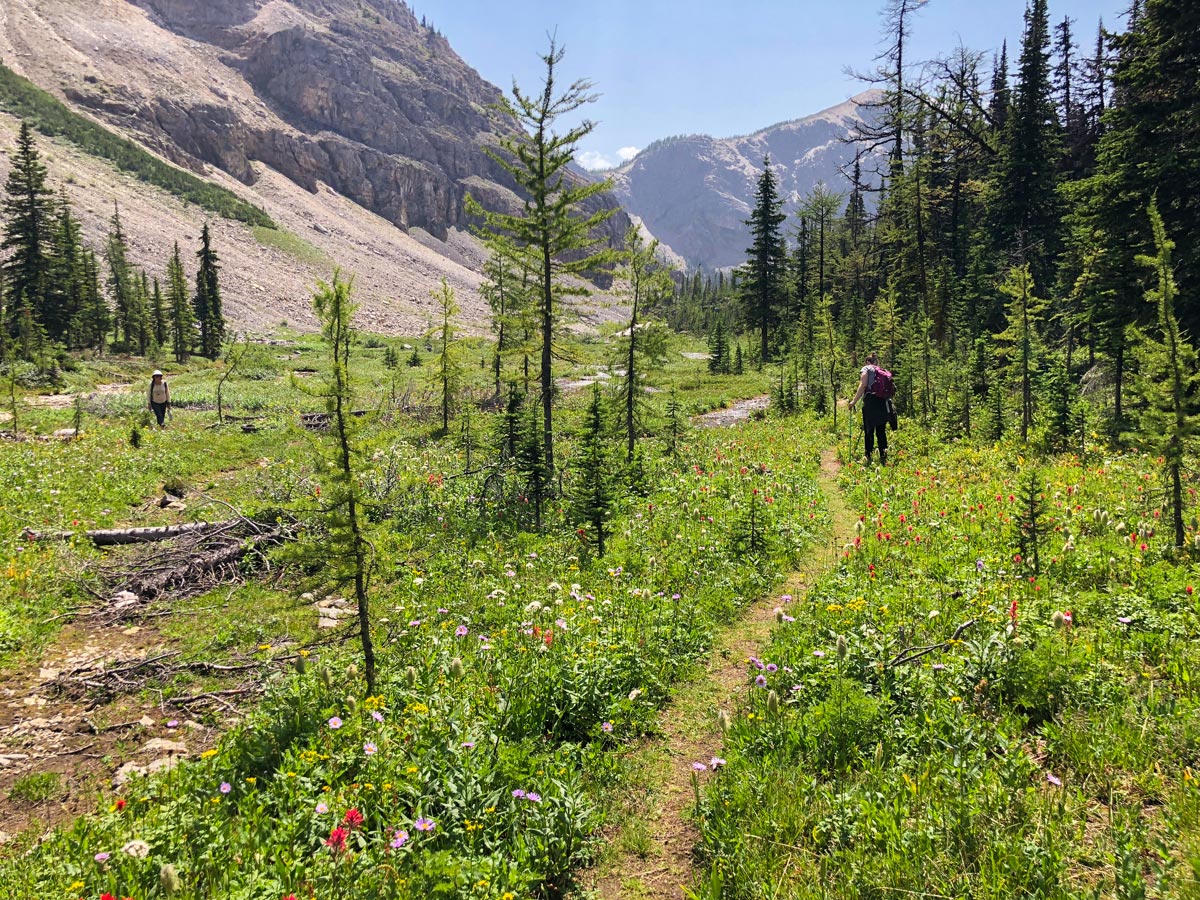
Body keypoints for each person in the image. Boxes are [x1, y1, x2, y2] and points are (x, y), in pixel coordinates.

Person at [848, 352, 890, 466]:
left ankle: (868, 456)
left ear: (867, 362)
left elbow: (863, 385)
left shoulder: (866, 368)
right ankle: (883, 456)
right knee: (881, 431)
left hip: (871, 402)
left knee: (869, 429)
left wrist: (853, 401)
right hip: (882, 402)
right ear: (876, 362)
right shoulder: (882, 370)